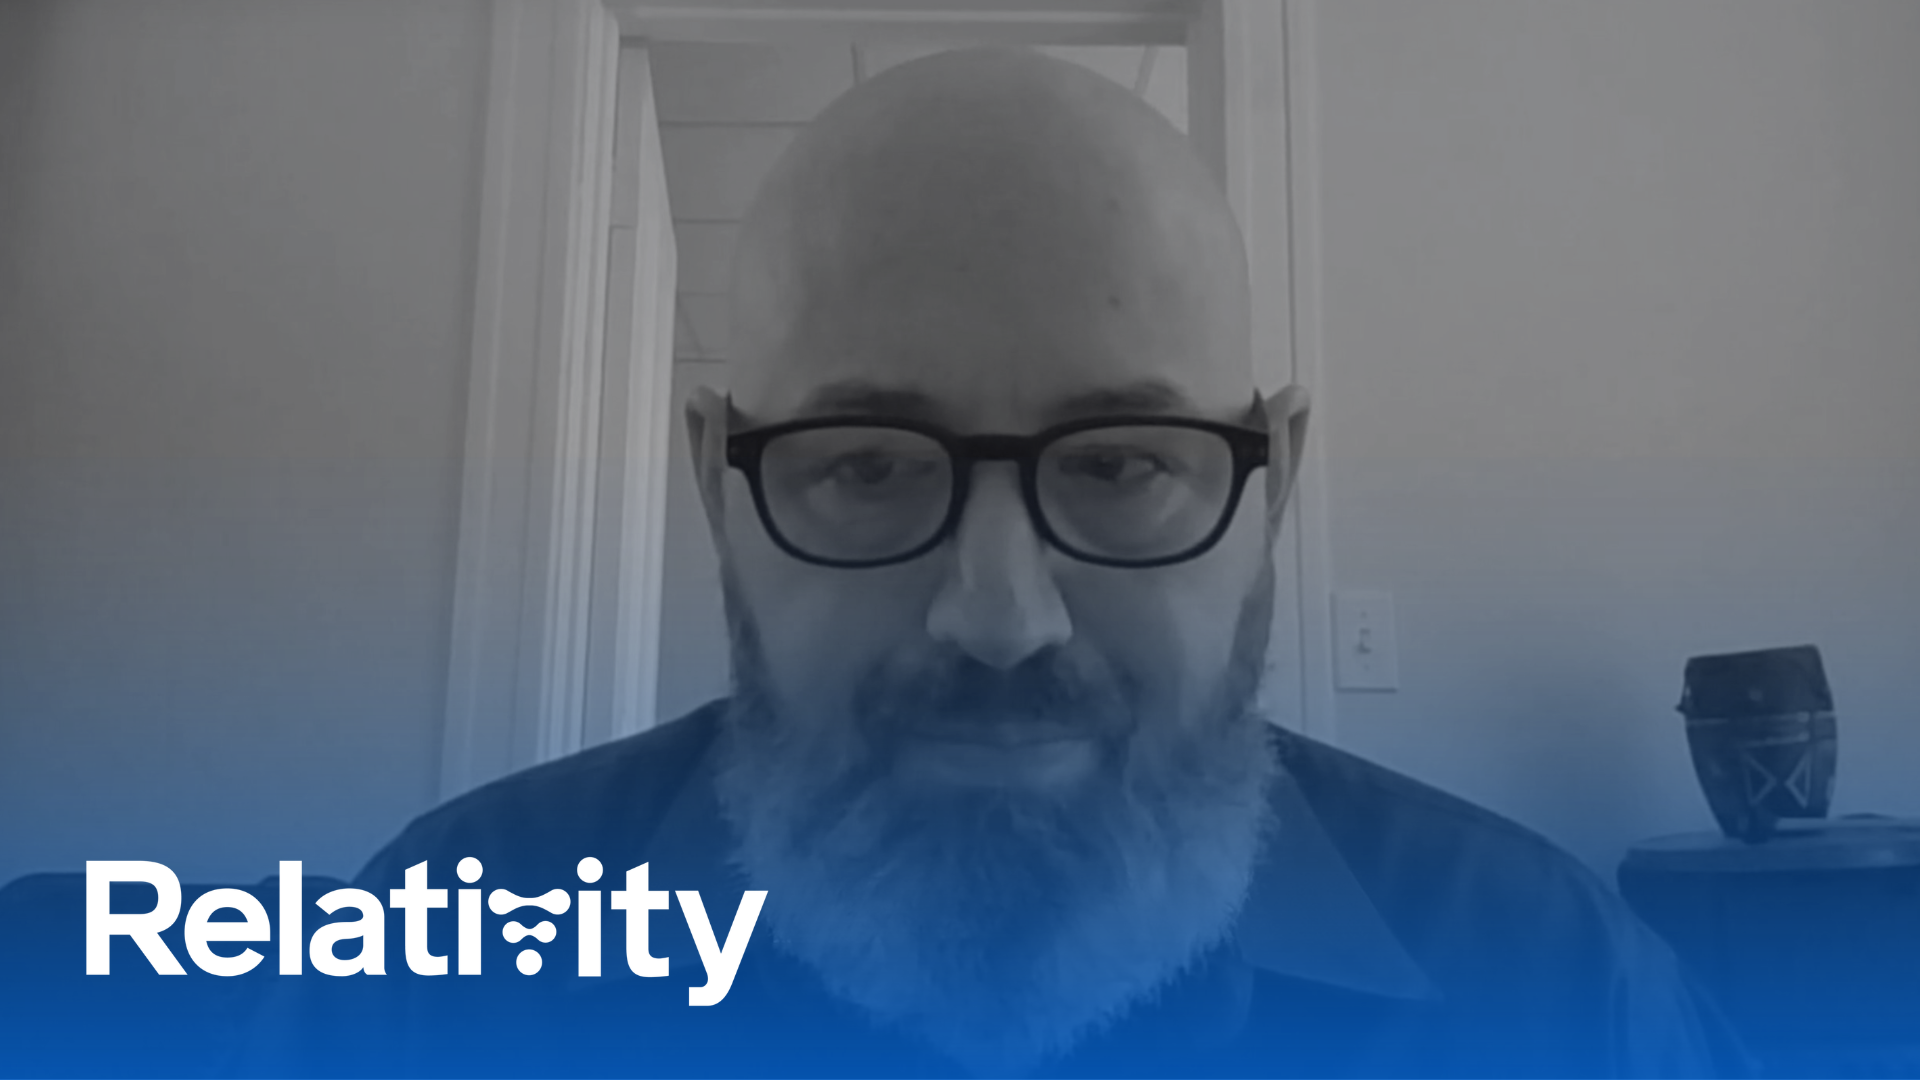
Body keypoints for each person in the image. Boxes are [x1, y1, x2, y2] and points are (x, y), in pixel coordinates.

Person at [260, 48, 1743, 1078]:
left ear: (1272, 485)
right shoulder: (437, 972)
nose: (999, 618)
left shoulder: (1563, 993)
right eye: (865, 467)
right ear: (718, 485)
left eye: (1119, 466)